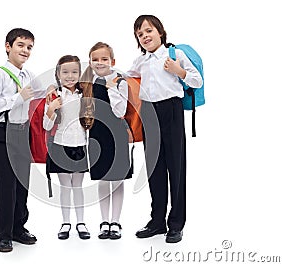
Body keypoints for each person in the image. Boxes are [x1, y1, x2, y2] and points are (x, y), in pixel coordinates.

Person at [126, 15, 203, 243]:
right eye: (140, 34)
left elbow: (196, 81)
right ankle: (157, 220)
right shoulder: (141, 61)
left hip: (171, 110)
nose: (145, 36)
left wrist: (179, 72)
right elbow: (128, 77)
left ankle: (176, 224)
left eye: (148, 31)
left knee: (176, 167)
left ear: (160, 31)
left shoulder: (175, 54)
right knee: (154, 168)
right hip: (149, 113)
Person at [0, 28, 38, 252]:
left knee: (23, 183)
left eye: (29, 47)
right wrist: (18, 97)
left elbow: (39, 95)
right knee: (7, 183)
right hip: (3, 133)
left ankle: (18, 228)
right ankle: (4, 234)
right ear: (8, 46)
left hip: (21, 132)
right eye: (21, 45)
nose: (25, 50)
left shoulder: (28, 75)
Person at [81, 42, 132, 240]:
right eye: (95, 59)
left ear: (113, 61)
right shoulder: (89, 84)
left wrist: (111, 88)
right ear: (90, 62)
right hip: (97, 135)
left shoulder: (120, 82)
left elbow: (119, 111)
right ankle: (104, 222)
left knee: (117, 179)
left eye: (104, 59)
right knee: (102, 178)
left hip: (117, 135)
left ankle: (116, 221)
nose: (100, 63)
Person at [43, 55, 91, 240]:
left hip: (80, 144)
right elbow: (47, 126)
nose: (69, 76)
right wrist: (51, 108)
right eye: (65, 72)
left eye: (74, 72)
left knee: (78, 186)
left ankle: (81, 222)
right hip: (61, 145)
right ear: (58, 74)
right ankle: (65, 222)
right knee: (65, 186)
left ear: (80, 74)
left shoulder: (84, 94)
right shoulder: (55, 96)